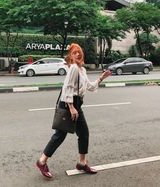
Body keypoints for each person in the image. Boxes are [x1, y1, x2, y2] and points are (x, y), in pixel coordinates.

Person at [36, 43, 112, 178]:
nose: (78, 54)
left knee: (83, 133)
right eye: (74, 52)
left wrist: (101, 78)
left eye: (79, 52)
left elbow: (89, 86)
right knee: (60, 135)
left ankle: (82, 163)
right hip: (68, 105)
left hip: (76, 105)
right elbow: (68, 88)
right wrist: (71, 108)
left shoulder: (81, 70)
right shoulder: (73, 69)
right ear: (70, 55)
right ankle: (42, 161)